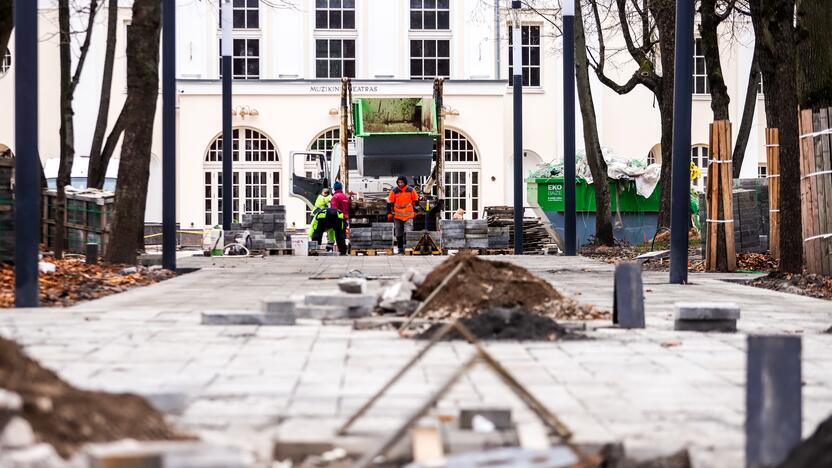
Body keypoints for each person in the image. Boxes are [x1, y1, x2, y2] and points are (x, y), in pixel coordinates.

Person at [387, 175, 420, 255]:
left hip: (408, 215)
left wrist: (416, 211)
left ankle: (407, 248)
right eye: (399, 182)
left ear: (405, 182)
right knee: (398, 233)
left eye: (402, 182)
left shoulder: (411, 190)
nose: (400, 184)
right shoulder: (394, 191)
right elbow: (389, 203)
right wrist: (389, 213)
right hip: (397, 215)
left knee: (408, 232)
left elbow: (416, 201)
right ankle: (400, 249)